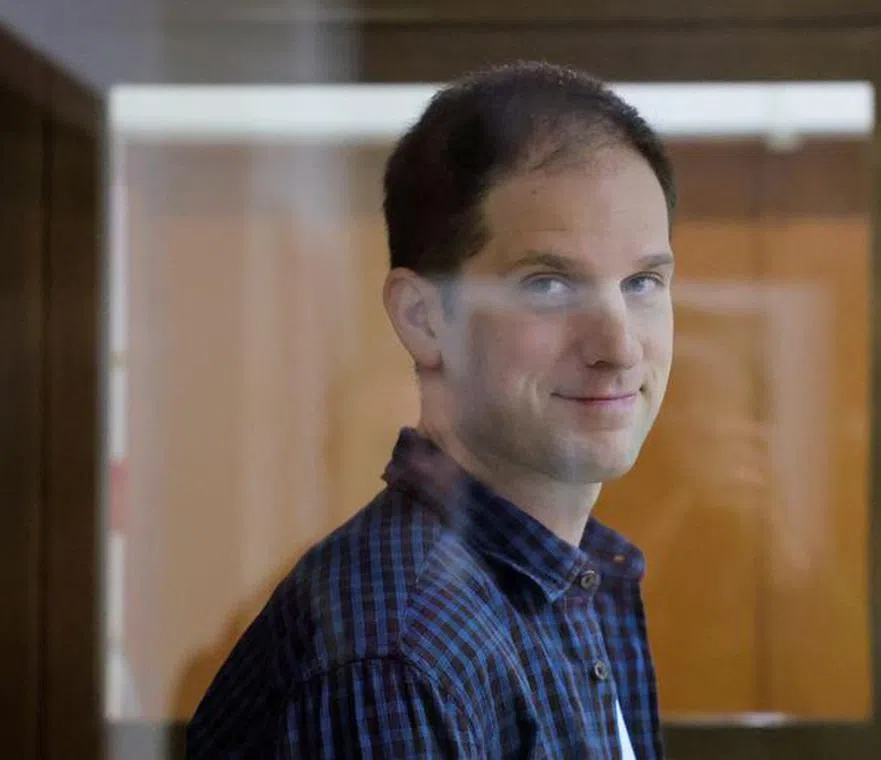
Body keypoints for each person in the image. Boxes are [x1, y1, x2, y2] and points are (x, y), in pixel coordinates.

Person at [187, 60, 677, 759]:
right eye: (547, 284)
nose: (620, 348)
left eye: (642, 282)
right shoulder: (397, 652)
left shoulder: (571, 581)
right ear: (423, 318)